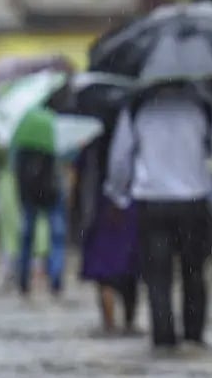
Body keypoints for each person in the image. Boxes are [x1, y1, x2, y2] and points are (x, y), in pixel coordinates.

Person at [104, 82, 212, 348]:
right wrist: (201, 158)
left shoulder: (137, 108)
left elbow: (120, 159)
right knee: (194, 272)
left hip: (152, 203)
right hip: (193, 201)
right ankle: (193, 336)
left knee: (157, 276)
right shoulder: (203, 106)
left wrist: (117, 196)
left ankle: (163, 340)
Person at [77, 129, 141, 334]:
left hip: (101, 209)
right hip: (130, 205)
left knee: (105, 273)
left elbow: (82, 177)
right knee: (130, 270)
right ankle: (128, 324)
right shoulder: (134, 130)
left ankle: (109, 325)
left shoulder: (92, 138)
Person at [11, 107, 68, 297]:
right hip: (52, 193)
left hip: (29, 194)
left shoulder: (21, 138)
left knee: (27, 237)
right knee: (57, 236)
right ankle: (56, 279)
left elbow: (15, 168)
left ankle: (23, 279)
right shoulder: (53, 132)